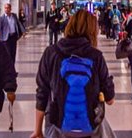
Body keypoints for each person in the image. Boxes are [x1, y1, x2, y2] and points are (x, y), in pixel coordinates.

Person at [30, 10, 116, 138]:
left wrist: (37, 130)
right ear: (92, 31)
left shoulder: (51, 53)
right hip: (90, 127)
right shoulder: (96, 56)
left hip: (58, 125)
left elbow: (42, 93)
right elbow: (110, 100)